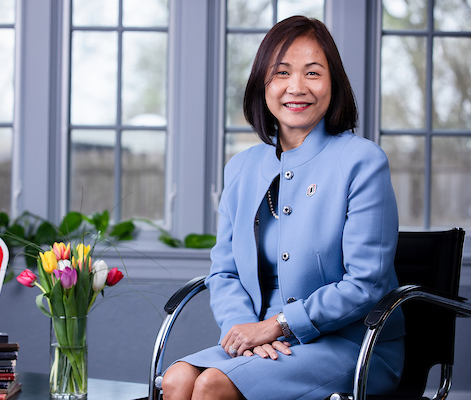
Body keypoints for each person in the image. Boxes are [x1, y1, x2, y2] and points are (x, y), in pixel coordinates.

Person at [162, 15, 405, 400]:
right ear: (264, 84)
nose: (297, 87)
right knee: (177, 378)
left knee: (211, 385)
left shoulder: (362, 161)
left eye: (312, 73)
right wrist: (246, 331)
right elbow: (224, 271)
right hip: (261, 338)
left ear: (332, 84)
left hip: (351, 343)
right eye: (282, 73)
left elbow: (366, 285)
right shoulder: (241, 168)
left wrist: (275, 326)